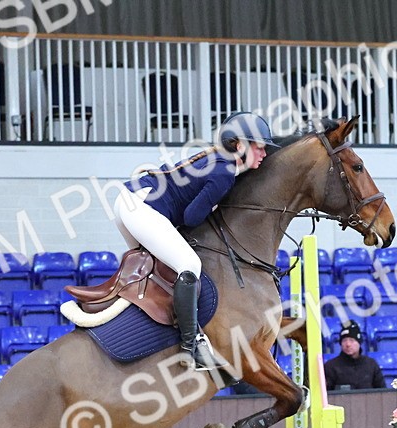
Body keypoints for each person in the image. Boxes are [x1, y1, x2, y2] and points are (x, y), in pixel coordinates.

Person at [115, 111, 276, 370]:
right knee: (189, 264)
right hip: (141, 207)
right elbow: (191, 218)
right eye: (260, 148)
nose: (264, 154)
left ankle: (153, 333)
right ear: (240, 145)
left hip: (131, 202)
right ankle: (192, 345)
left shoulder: (219, 160)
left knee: (161, 271)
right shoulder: (224, 172)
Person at [324, 320, 385, 391]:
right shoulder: (330, 366)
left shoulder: (371, 364)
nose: (348, 344)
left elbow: (382, 391)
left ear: (359, 342)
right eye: (344, 340)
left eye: (352, 340)